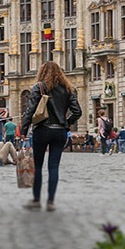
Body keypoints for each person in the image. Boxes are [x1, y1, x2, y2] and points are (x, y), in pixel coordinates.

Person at [20, 61, 82, 212]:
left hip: (42, 129)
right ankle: (50, 201)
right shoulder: (68, 89)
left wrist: (24, 128)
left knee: (39, 166)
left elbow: (31, 109)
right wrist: (67, 122)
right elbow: (77, 112)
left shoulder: (40, 87)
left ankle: (36, 199)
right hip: (60, 131)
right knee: (54, 167)